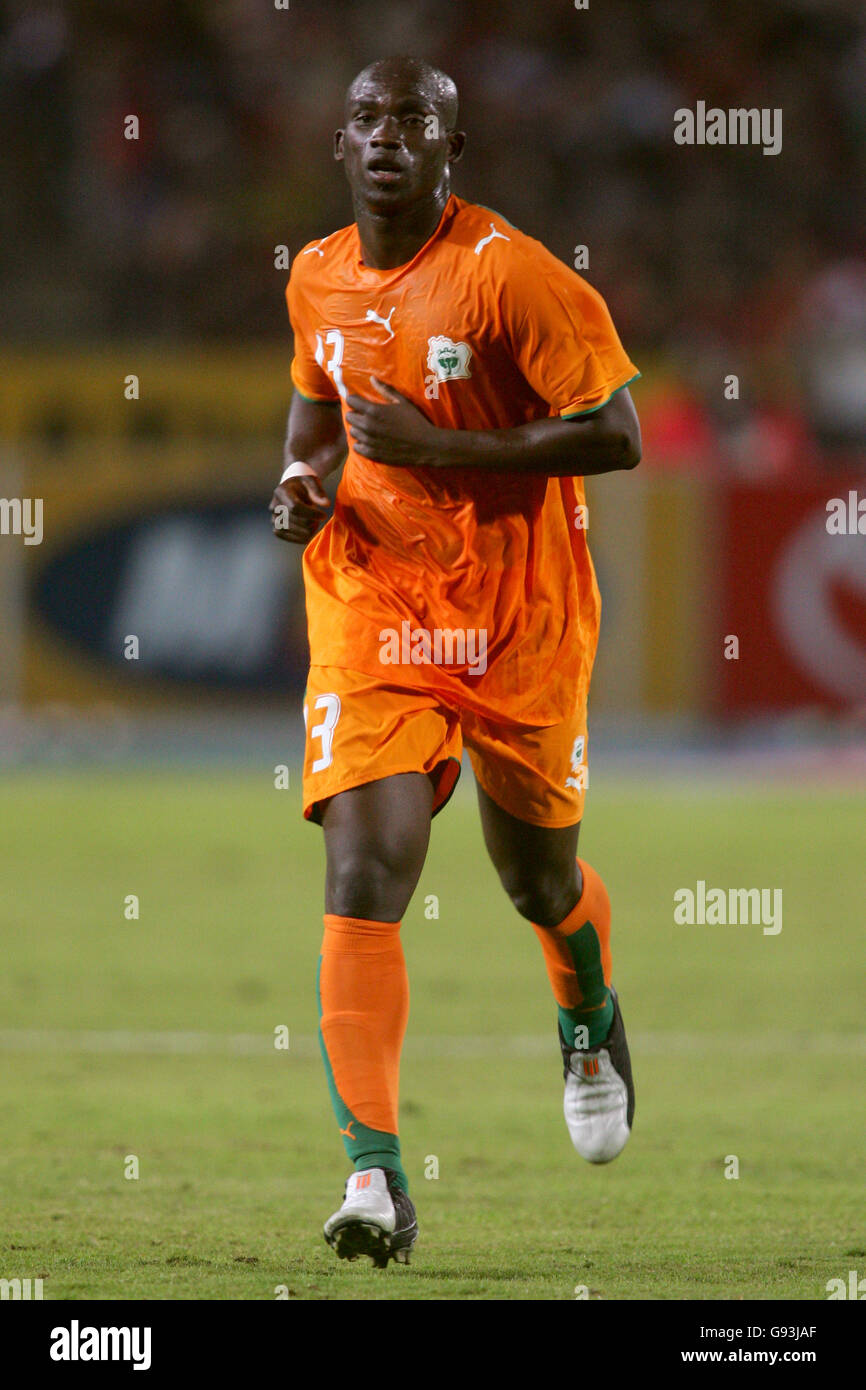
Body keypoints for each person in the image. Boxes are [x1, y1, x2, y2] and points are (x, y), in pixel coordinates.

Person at [270, 55, 641, 1268]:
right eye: (364, 118)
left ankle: (582, 1005)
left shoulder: (510, 277)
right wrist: (300, 483)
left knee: (536, 879)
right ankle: (373, 1175)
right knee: (364, 864)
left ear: (450, 152)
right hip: (373, 595)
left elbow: (615, 433)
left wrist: (446, 445)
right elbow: (315, 414)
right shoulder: (316, 276)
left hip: (516, 611)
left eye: (411, 122)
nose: (385, 137)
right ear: (341, 147)